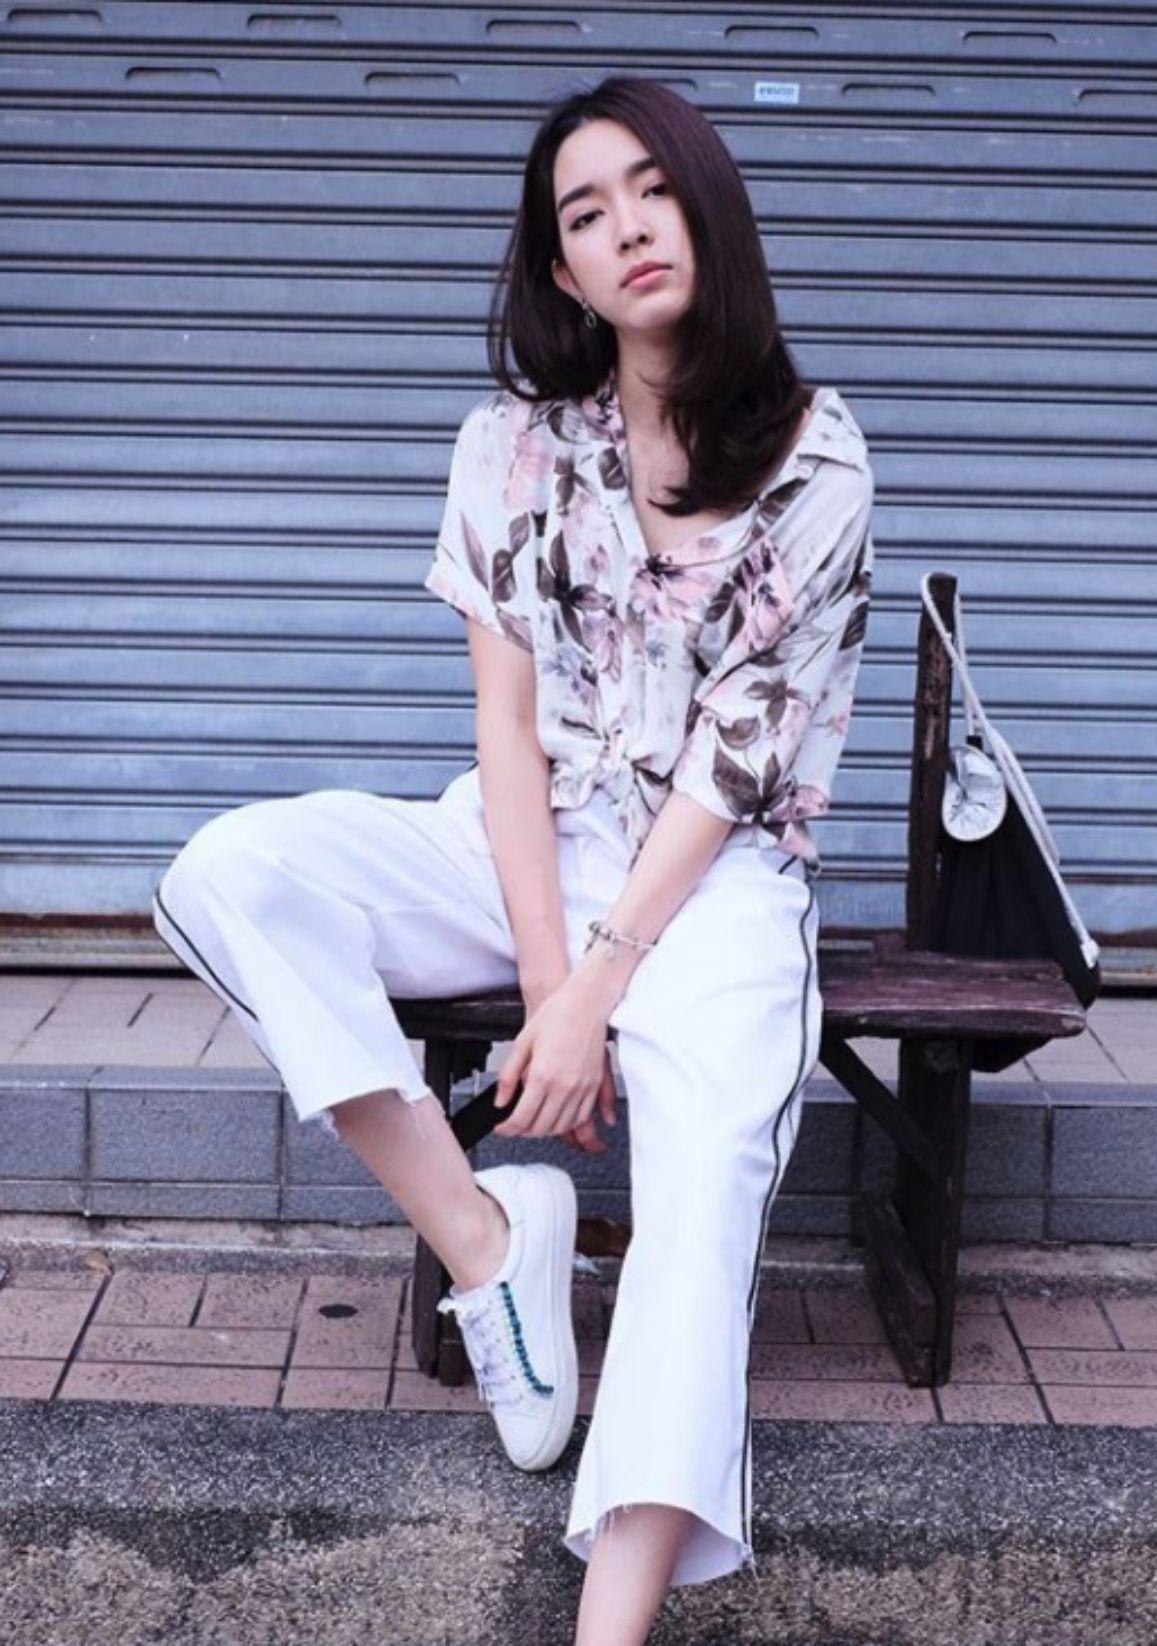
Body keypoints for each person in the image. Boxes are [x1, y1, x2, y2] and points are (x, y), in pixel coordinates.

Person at [152, 72, 875, 1646]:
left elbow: (735, 759)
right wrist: (552, 981)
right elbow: (506, 725)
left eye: (653, 190)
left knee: (705, 1187)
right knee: (231, 872)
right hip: (525, 845)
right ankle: (487, 1237)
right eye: (586, 213)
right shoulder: (509, 445)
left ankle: (607, 1626)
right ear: (563, 270)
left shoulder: (818, 459)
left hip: (712, 880)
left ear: (709, 205)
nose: (629, 229)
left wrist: (599, 986)